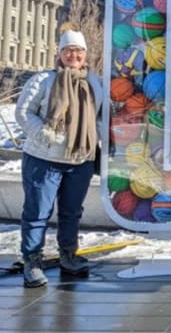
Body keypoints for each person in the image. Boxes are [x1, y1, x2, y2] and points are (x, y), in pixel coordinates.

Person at [15, 24, 103, 288]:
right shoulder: (43, 80)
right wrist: (43, 133)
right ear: (60, 53)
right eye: (68, 51)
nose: (73, 56)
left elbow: (99, 118)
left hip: (80, 161)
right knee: (37, 212)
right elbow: (23, 112)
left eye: (78, 51)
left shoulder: (94, 83)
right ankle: (32, 260)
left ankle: (68, 255)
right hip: (44, 159)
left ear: (85, 54)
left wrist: (105, 142)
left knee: (71, 212)